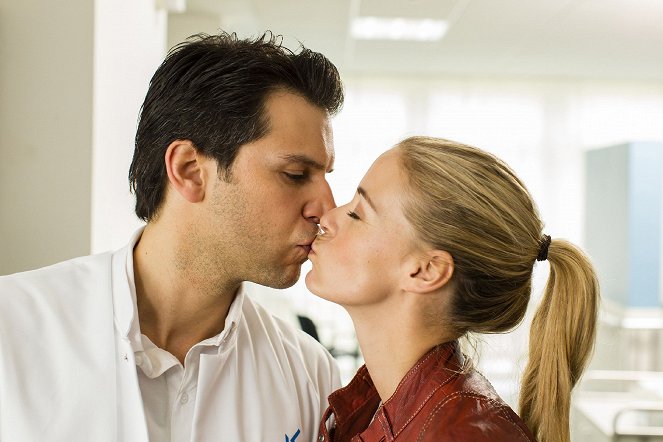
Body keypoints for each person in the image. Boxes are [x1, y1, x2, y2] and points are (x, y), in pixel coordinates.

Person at [0, 32, 344, 441]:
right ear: (189, 170)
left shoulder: (310, 374)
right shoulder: (12, 328)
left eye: (325, 177)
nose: (326, 208)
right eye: (295, 175)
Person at [306, 136, 600, 442]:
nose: (327, 218)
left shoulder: (464, 434)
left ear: (427, 270)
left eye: (357, 213)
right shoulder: (373, 408)